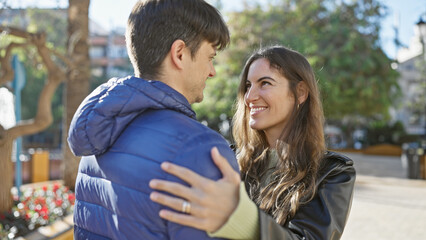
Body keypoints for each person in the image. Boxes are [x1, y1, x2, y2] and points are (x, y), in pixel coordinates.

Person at [67, 0, 239, 239]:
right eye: (210, 57)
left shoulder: (99, 135)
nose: (212, 71)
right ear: (179, 54)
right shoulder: (203, 149)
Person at [149, 46, 356, 239]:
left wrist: (238, 216)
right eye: (248, 86)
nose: (249, 97)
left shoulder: (333, 173)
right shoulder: (226, 159)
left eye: (265, 83)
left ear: (300, 92)